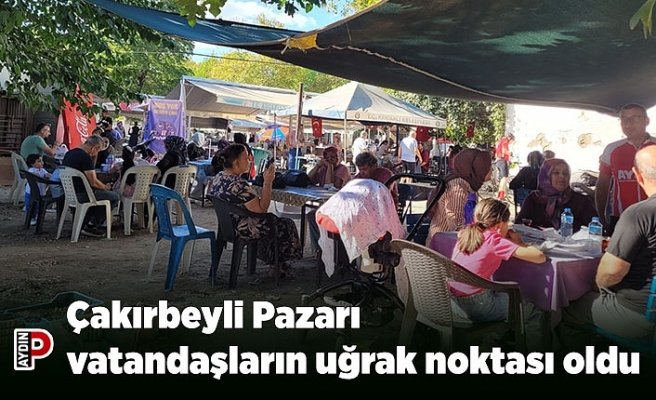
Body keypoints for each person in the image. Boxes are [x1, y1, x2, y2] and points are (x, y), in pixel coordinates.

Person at [559, 145, 656, 345]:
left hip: (637, 316)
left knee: (561, 302)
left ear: (637, 175)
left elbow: (611, 273)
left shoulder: (639, 214)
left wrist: (598, 285)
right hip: (646, 309)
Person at [444, 198, 545, 322]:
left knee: (505, 292)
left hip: (454, 302)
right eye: (507, 224)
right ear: (500, 225)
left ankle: (503, 331)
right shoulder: (494, 241)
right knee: (532, 309)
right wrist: (519, 242)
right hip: (478, 306)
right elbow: (540, 257)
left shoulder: (466, 233)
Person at [208, 144, 302, 276]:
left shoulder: (219, 177)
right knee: (284, 224)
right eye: (246, 158)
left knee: (273, 220)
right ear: (236, 162)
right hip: (241, 228)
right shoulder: (239, 184)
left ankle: (273, 262)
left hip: (227, 225)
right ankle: (278, 265)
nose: (250, 161)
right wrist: (267, 182)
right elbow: (261, 210)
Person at [596, 103, 656, 236]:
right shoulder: (612, 150)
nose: (629, 123)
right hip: (622, 219)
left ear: (647, 121)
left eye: (635, 118)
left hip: (653, 217)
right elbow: (602, 186)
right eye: (624, 119)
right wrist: (602, 218)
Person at [426, 148, 492, 245]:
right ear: (478, 168)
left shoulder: (469, 185)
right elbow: (456, 225)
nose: (491, 170)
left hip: (459, 242)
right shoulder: (457, 187)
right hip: (445, 246)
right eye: (488, 166)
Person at [516, 158, 597, 232]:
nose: (562, 176)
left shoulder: (580, 200)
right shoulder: (534, 198)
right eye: (556, 173)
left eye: (565, 173)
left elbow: (595, 229)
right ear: (546, 176)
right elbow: (519, 225)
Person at [62, 135, 120, 237]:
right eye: (98, 151)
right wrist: (106, 187)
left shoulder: (69, 153)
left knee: (101, 195)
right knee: (114, 197)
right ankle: (92, 224)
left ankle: (85, 222)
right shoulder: (85, 157)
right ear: (95, 148)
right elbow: (93, 182)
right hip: (83, 194)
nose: (96, 154)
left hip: (70, 193)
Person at [23, 154, 53, 225]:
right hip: (31, 192)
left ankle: (36, 217)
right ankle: (31, 218)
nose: (42, 163)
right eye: (39, 161)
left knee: (38, 206)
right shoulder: (31, 170)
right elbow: (34, 176)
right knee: (30, 206)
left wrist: (49, 175)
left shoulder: (42, 170)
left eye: (42, 161)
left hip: (41, 192)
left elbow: (47, 174)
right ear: (32, 164)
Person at [494, 132, 514, 200]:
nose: (511, 143)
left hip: (498, 161)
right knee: (504, 178)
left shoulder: (500, 141)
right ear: (509, 138)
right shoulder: (505, 141)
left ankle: (499, 194)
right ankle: (501, 195)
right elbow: (504, 150)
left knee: (502, 179)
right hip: (502, 160)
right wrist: (510, 153)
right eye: (512, 141)